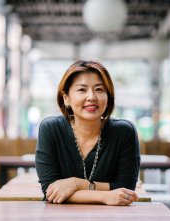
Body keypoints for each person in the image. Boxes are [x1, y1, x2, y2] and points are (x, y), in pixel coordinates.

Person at [35, 60, 140, 206]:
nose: (91, 97)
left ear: (108, 98)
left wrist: (76, 184)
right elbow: (51, 191)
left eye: (99, 89)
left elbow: (126, 189)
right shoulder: (51, 129)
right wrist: (104, 196)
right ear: (66, 98)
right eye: (82, 90)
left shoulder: (124, 132)